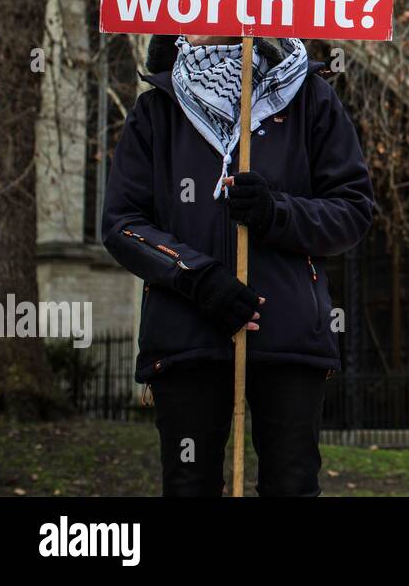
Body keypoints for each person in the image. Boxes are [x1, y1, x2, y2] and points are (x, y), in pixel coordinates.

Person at [102, 34, 373, 496]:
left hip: (288, 335)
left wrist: (277, 213)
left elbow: (352, 211)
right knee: (189, 484)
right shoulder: (156, 110)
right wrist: (198, 278)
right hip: (186, 335)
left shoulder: (312, 99)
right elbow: (122, 224)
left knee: (291, 485)